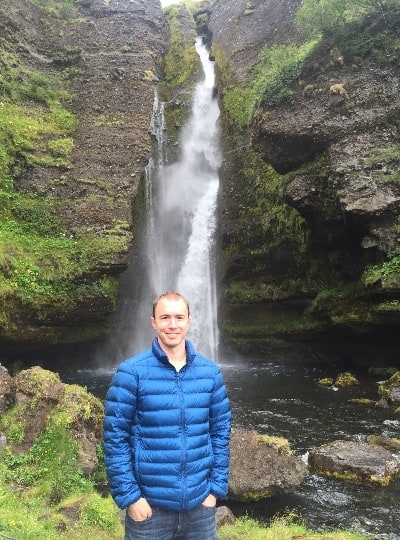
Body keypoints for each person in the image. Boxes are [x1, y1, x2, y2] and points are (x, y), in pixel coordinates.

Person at [103, 291, 231, 540]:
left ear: (189, 321)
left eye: (179, 317)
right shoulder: (131, 373)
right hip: (150, 510)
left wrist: (214, 490)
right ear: (153, 322)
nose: (172, 325)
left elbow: (221, 432)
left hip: (200, 508)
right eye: (165, 317)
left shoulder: (210, 373)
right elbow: (114, 439)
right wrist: (131, 498)